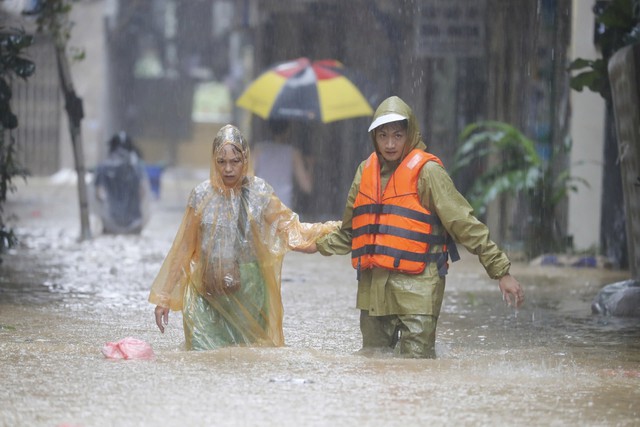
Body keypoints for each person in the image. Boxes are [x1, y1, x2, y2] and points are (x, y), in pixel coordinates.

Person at [308, 96, 524, 359]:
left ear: (410, 134)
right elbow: (351, 233)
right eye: (383, 135)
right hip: (374, 293)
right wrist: (312, 244)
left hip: (419, 291)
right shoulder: (364, 172)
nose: (389, 144)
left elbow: (465, 224)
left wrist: (501, 271)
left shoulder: (429, 172)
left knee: (416, 371)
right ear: (373, 137)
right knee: (373, 366)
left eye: (398, 135)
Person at [149, 124, 339, 351]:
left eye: (235, 161)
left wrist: (335, 231)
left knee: (247, 355)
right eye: (221, 162)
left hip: (248, 292)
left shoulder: (259, 194)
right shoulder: (201, 195)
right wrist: (164, 296)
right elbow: (183, 248)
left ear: (245, 160)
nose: (228, 169)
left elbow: (291, 230)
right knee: (202, 356)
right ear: (214, 161)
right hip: (205, 292)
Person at [93, 131, 151, 235]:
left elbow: (98, 195)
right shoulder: (137, 168)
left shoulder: (102, 168)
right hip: (134, 225)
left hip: (110, 225)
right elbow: (143, 193)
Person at [251, 119, 313, 208]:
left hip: (261, 205)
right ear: (288, 131)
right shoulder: (293, 153)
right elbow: (307, 187)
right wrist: (311, 166)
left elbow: (246, 180)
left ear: (270, 129)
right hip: (283, 208)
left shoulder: (258, 150)